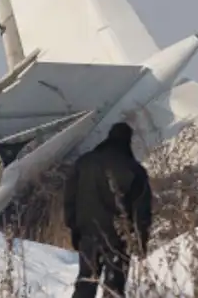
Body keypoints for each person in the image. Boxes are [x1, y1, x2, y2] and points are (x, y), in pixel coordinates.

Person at [64, 122, 152, 298]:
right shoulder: (134, 169)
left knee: (86, 283)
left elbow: (70, 199)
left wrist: (74, 229)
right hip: (119, 239)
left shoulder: (83, 163)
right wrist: (141, 242)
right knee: (115, 288)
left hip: (88, 234)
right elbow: (141, 210)